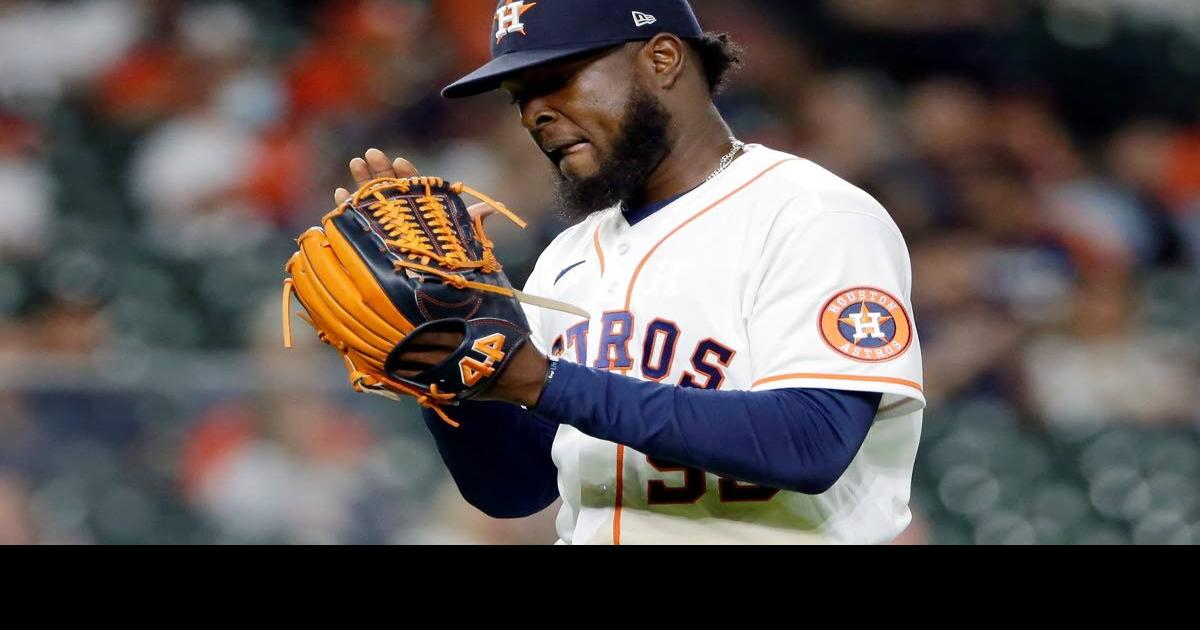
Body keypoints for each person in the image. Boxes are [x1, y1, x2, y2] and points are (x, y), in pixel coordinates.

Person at [333, 0, 924, 544]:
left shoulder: (810, 214)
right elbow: (518, 490)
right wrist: (453, 371)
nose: (535, 114)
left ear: (662, 58)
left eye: (555, 80)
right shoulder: (566, 256)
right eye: (520, 96)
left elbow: (810, 443)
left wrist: (541, 381)